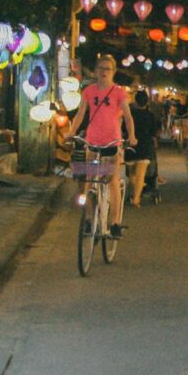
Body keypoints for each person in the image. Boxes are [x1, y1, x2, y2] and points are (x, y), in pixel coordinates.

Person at [65, 55, 137, 238]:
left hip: (112, 142)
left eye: (108, 69)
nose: (104, 72)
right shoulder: (88, 91)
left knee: (112, 180)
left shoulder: (119, 92)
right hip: (92, 141)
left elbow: (128, 117)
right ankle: (89, 219)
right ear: (96, 71)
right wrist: (71, 132)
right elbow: (80, 115)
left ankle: (114, 223)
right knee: (88, 181)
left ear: (113, 72)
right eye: (101, 68)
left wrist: (132, 136)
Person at [125, 89, 159, 207]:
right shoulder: (150, 116)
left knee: (131, 175)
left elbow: (124, 130)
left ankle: (137, 191)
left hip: (130, 147)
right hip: (145, 147)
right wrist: (155, 145)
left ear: (135, 101)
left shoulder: (130, 115)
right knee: (141, 174)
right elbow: (153, 133)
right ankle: (136, 199)